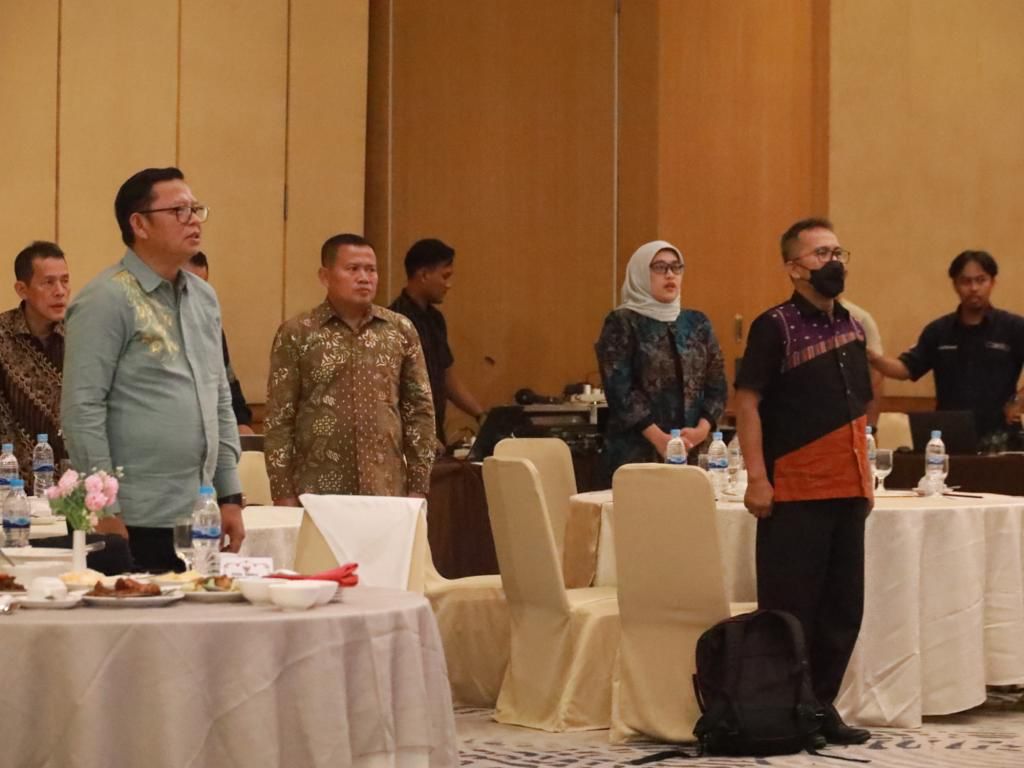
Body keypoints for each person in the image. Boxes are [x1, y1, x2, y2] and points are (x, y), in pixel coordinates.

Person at [61, 167, 244, 572]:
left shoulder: (204, 298)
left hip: (198, 511)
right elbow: (82, 409)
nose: (194, 220)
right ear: (139, 224)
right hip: (131, 516)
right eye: (179, 210)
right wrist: (103, 508)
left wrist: (230, 495)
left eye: (196, 209)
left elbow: (218, 397)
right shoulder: (105, 299)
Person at [734, 217, 872, 745]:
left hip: (849, 488)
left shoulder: (853, 324)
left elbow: (858, 409)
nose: (833, 262)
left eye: (838, 252)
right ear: (794, 268)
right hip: (794, 492)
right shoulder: (775, 326)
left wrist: (865, 480)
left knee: (843, 611)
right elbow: (748, 403)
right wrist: (757, 478)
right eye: (820, 254)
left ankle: (819, 708)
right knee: (792, 611)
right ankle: (784, 713)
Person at [264, 233, 435, 503]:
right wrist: (283, 492)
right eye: (353, 269)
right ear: (325, 276)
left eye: (371, 270)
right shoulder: (297, 333)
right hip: (317, 492)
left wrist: (419, 485)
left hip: (386, 488)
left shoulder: (400, 330)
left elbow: (419, 411)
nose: (364, 278)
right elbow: (279, 419)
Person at [595, 240, 727, 478]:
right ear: (640, 274)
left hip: (695, 451)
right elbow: (619, 390)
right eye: (659, 267)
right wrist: (659, 439)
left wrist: (701, 430)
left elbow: (717, 384)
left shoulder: (697, 322)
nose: (670, 274)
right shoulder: (622, 322)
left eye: (676, 267)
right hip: (637, 452)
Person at [868, 250, 1024, 452]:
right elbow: (904, 369)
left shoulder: (1013, 328)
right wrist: (873, 357)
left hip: (1002, 437)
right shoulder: (938, 331)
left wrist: (1018, 400)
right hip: (950, 435)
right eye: (965, 281)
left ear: (992, 282)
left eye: (981, 280)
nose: (974, 288)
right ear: (955, 285)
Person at [390, 238, 484, 447]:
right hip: (405, 440)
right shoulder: (394, 321)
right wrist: (418, 434)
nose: (448, 284)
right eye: (445, 276)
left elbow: (446, 376)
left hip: (435, 432)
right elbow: (390, 390)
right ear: (424, 275)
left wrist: (481, 415)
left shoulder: (436, 319)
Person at [0, 241, 70, 476]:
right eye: (48, 282)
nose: (60, 291)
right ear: (22, 289)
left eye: (65, 281)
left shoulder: (81, 334)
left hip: (73, 478)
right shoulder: (3, 334)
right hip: (11, 479)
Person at [183, 252, 255, 434]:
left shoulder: (211, 327)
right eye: (189, 286)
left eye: (203, 286)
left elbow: (228, 380)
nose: (196, 295)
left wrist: (242, 422)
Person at [841, 299, 885, 429]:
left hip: (850, 419)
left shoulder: (859, 318)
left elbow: (875, 373)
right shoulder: (790, 318)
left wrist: (870, 428)